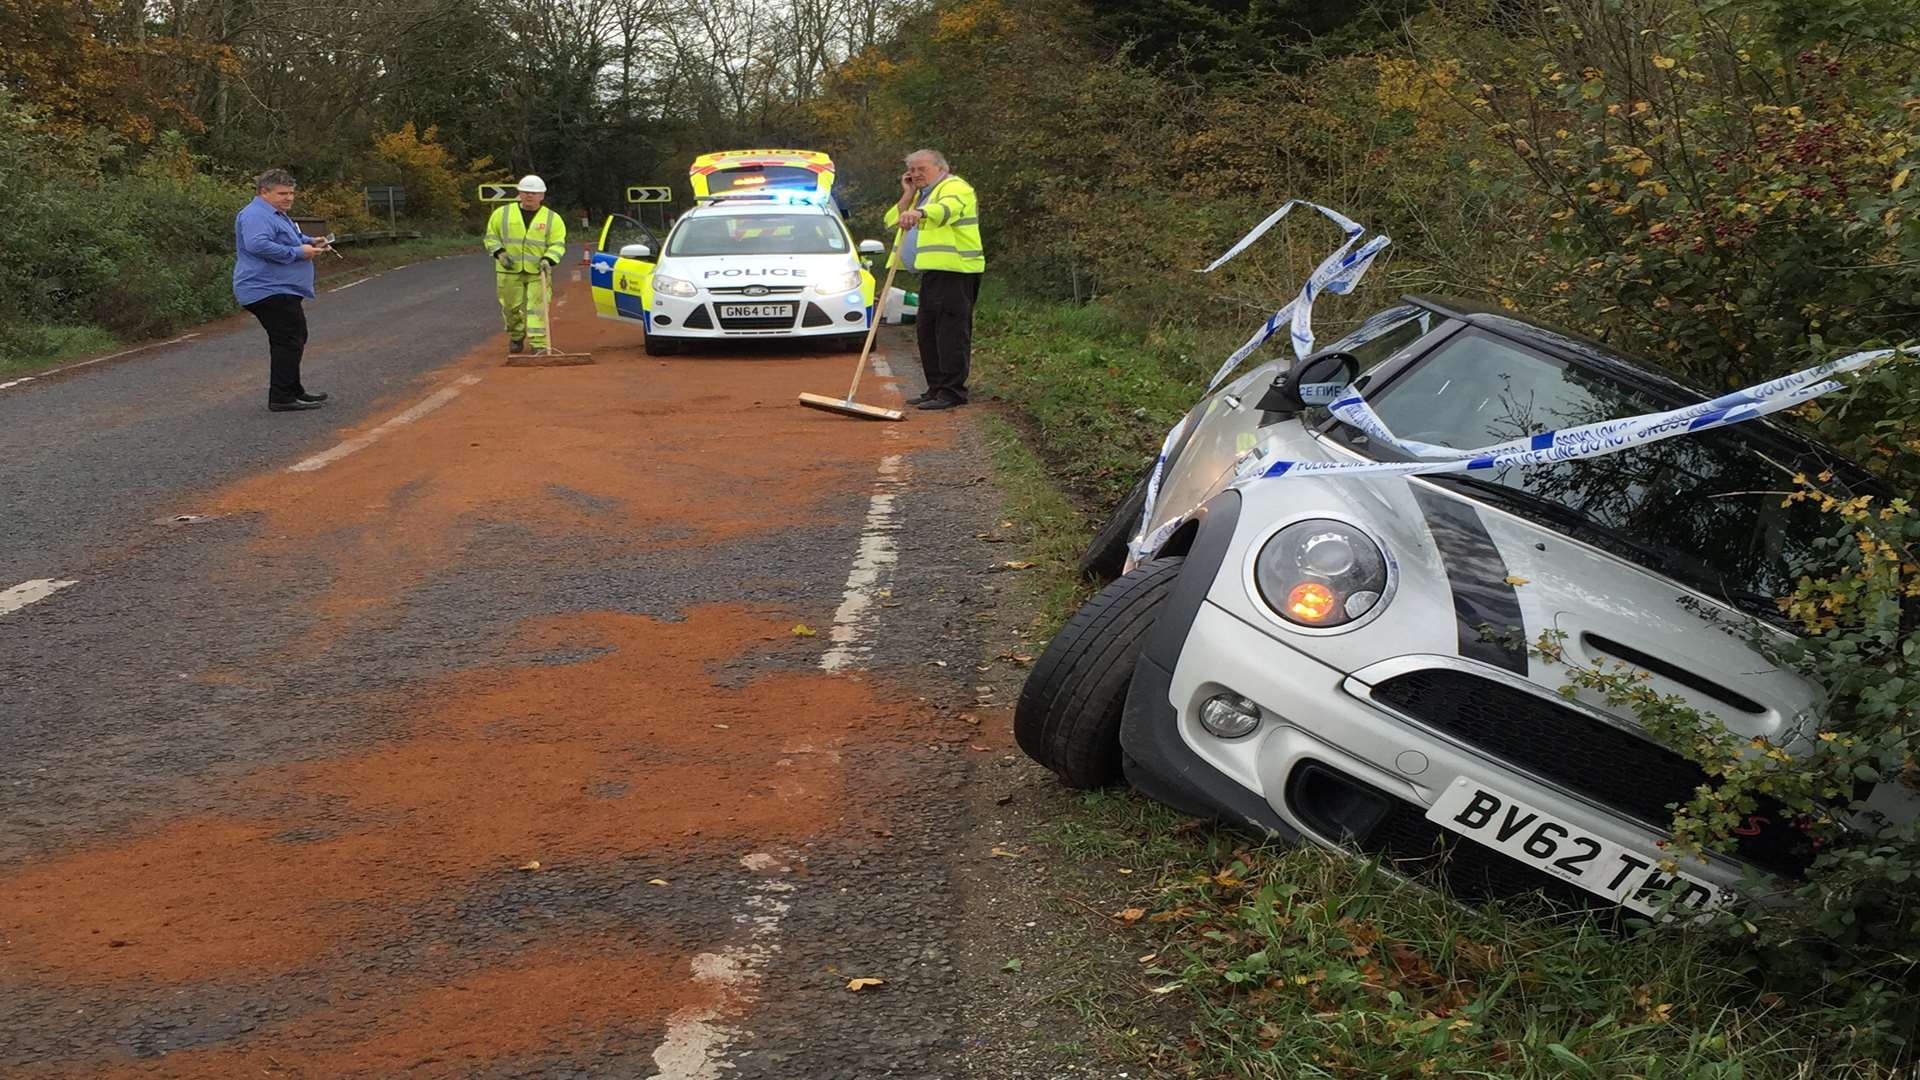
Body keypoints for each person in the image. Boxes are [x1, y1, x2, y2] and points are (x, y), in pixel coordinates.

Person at [883, 150, 985, 411]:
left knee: (950, 333)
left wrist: (920, 213)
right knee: (927, 331)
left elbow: (946, 210)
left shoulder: (955, 187)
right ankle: (935, 388)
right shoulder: (919, 194)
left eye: (921, 168)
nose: (916, 174)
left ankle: (952, 392)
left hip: (956, 271)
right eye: (912, 170)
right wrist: (907, 195)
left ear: (940, 168)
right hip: (932, 271)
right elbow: (890, 221)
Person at [233, 169, 329, 412]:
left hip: (281, 288)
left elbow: (290, 237)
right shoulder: (256, 214)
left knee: (294, 337)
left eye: (291, 193)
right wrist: (299, 253)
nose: (289, 198)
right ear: (264, 192)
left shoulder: (277, 214)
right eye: (282, 193)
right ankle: (282, 397)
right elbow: (258, 244)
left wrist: (310, 241)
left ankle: (293, 390)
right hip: (266, 288)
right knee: (288, 339)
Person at [484, 175, 568, 353]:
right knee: (510, 307)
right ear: (519, 194)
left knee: (537, 307)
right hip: (508, 270)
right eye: (526, 192)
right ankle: (516, 335)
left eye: (534, 193)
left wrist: (549, 259)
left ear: (542, 196)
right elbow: (491, 237)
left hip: (539, 271)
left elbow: (557, 244)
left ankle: (538, 343)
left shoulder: (553, 219)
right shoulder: (501, 214)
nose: (530, 196)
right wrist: (499, 253)